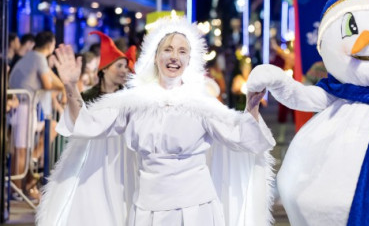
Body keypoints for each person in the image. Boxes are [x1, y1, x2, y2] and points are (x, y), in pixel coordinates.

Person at [38, 17, 276, 226]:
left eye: (182, 51)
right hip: (147, 209)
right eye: (168, 49)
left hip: (198, 209)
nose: (174, 56)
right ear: (155, 56)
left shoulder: (202, 103)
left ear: (190, 59)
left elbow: (244, 139)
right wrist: (70, 84)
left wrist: (252, 106)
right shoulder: (132, 102)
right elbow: (85, 125)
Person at [8, 31, 63, 200]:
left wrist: (61, 84)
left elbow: (51, 80)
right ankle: (18, 190)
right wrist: (61, 86)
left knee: (24, 149)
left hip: (22, 107)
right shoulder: (39, 58)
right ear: (51, 45)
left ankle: (23, 184)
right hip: (24, 107)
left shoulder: (32, 56)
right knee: (21, 151)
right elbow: (47, 84)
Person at [81, 31, 133, 102]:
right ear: (105, 68)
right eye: (119, 66)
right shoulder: (87, 97)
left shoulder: (129, 97)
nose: (124, 71)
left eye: (126, 67)